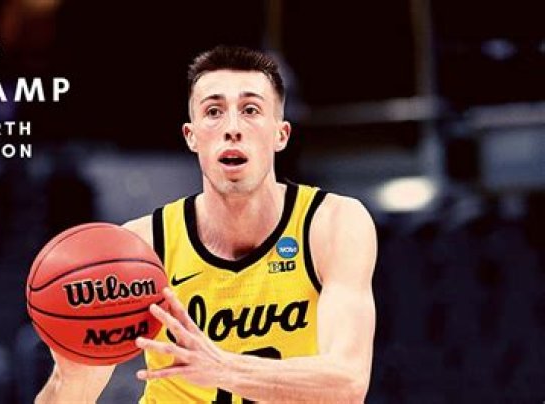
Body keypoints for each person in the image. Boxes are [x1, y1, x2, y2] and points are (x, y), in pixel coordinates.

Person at [36, 45, 377, 403]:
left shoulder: (331, 224)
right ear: (191, 135)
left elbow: (348, 383)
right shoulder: (140, 246)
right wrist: (68, 379)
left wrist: (222, 367)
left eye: (250, 110)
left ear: (281, 134)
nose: (232, 128)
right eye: (214, 112)